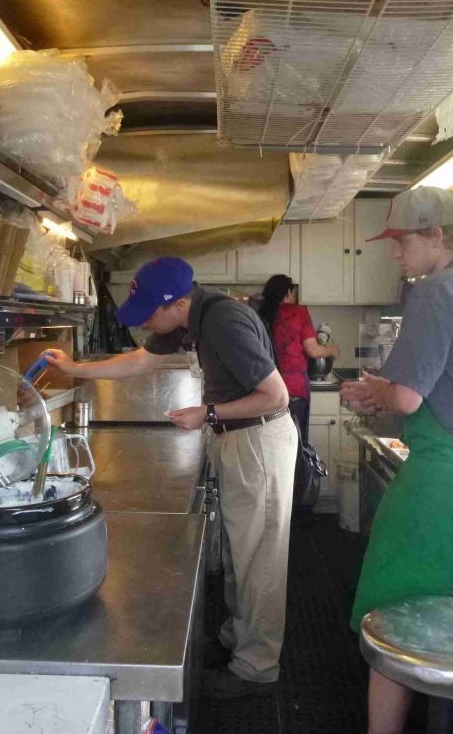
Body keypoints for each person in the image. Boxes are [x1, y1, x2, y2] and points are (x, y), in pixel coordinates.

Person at [40, 257, 298, 700]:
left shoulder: (224, 321)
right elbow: (140, 361)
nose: (146, 323)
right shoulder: (188, 319)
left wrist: (208, 413)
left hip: (258, 441)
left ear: (178, 303)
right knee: (242, 553)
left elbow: (276, 395)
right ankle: (238, 640)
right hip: (237, 438)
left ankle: (256, 667)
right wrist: (77, 369)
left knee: (260, 559)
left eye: (150, 313)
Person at [340, 186, 453, 734]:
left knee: (394, 624)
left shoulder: (435, 292)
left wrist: (373, 388)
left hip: (444, 486)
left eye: (402, 241)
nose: (395, 253)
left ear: (437, 236)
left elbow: (405, 399)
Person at [256, 274, 340, 443]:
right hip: (294, 388)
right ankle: (296, 470)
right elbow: (313, 350)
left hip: (266, 387)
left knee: (270, 442)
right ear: (288, 293)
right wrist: (332, 349)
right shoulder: (298, 312)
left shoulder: (260, 314)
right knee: (296, 443)